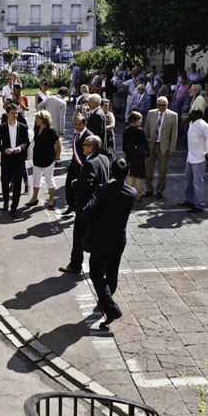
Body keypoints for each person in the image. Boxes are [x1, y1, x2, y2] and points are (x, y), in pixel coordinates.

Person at [81, 159, 135, 330]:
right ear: (127, 174)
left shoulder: (103, 190)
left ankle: (111, 308)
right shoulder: (131, 193)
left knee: (96, 274)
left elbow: (88, 211)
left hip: (100, 239)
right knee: (112, 274)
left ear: (111, 172)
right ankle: (105, 301)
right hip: (118, 239)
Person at [60, 135, 109, 274]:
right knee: (98, 238)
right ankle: (102, 266)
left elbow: (86, 184)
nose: (83, 147)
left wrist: (75, 183)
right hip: (99, 206)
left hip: (86, 207)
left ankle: (75, 264)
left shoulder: (90, 163)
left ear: (91, 147)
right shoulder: (104, 158)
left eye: (85, 145)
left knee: (79, 236)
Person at [177, 109, 208, 213]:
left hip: (199, 158)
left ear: (198, 115)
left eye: (191, 113)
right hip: (190, 157)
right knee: (187, 179)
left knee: (197, 182)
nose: (189, 114)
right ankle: (189, 200)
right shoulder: (191, 123)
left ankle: (199, 204)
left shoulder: (203, 125)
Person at [0, 103, 30, 218]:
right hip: (6, 159)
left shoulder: (23, 127)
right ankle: (6, 200)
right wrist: (4, 149)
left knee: (17, 184)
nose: (15, 115)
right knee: (5, 182)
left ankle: (14, 207)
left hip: (18, 160)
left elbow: (27, 142)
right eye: (12, 113)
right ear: (7, 114)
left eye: (16, 113)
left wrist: (20, 147)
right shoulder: (1, 128)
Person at [25, 110, 61, 208]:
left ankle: (51, 199)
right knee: (36, 180)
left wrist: (58, 156)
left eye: (37, 118)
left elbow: (58, 143)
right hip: (37, 159)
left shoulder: (51, 130)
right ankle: (34, 198)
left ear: (43, 119)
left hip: (48, 159)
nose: (35, 120)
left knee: (49, 179)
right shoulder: (37, 129)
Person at [143, 96, 178, 199]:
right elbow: (147, 130)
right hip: (151, 145)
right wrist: (145, 147)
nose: (162, 107)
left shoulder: (173, 115)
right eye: (160, 105)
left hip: (164, 147)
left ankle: (159, 190)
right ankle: (149, 189)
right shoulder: (151, 113)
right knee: (148, 170)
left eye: (164, 105)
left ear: (167, 105)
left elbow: (174, 134)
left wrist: (172, 149)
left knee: (162, 170)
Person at [63, 115, 93, 215]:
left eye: (80, 124)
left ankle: (78, 208)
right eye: (76, 124)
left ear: (85, 124)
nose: (77, 126)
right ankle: (70, 206)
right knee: (69, 186)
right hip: (74, 165)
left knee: (79, 189)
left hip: (83, 167)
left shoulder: (89, 136)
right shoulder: (77, 134)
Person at [122, 111, 147, 202]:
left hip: (129, 156)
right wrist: (147, 155)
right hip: (139, 157)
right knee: (139, 177)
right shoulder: (141, 131)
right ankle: (139, 196)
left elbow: (124, 146)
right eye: (139, 119)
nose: (141, 120)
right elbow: (145, 144)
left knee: (130, 176)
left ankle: (128, 195)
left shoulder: (126, 131)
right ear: (134, 120)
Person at [86, 94, 108, 158]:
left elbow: (97, 132)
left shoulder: (97, 115)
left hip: (95, 148)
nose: (88, 104)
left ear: (95, 103)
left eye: (90, 102)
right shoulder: (99, 112)